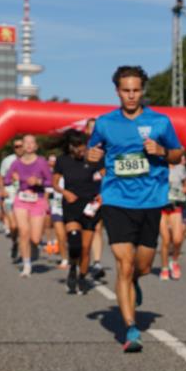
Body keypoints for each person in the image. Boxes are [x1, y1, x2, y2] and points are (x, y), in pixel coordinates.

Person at [87, 65, 184, 352]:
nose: (131, 96)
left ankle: (135, 283)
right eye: (126, 90)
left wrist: (162, 152)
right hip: (116, 200)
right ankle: (131, 329)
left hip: (151, 201)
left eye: (136, 90)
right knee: (124, 265)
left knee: (142, 266)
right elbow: (94, 155)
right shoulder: (104, 123)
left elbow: (179, 155)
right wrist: (92, 157)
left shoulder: (160, 122)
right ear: (117, 91)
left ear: (143, 91)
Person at [54, 129, 104, 294]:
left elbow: (106, 177)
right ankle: (72, 268)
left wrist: (101, 195)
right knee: (74, 242)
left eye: (84, 146)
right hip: (71, 205)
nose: (82, 150)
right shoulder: (62, 160)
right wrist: (66, 193)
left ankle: (82, 276)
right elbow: (55, 183)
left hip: (90, 207)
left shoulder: (93, 158)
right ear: (71, 147)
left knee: (85, 247)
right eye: (78, 147)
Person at [4, 134, 52, 277]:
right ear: (22, 146)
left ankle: (34, 247)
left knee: (36, 238)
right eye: (26, 143)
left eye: (32, 142)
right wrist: (13, 178)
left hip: (38, 200)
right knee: (23, 232)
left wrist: (38, 182)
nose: (29, 145)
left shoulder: (42, 162)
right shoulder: (16, 163)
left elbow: (50, 182)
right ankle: (26, 264)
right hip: (21, 199)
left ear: (36, 146)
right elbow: (6, 180)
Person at [160, 154, 186, 280]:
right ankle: (164, 268)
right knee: (166, 240)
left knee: (177, 239)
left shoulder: (181, 169)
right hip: (161, 207)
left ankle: (174, 261)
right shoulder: (159, 167)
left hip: (175, 206)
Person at [85, 117, 107, 282]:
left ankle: (97, 262)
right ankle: (80, 261)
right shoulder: (80, 151)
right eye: (92, 129)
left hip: (98, 196)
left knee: (97, 229)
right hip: (81, 196)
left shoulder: (107, 151)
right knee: (82, 232)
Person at [0, 137, 24, 261]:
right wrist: (2, 190)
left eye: (21, 146)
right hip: (10, 194)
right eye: (16, 147)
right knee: (13, 226)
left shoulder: (31, 160)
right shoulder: (7, 161)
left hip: (25, 196)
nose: (19, 149)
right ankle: (15, 243)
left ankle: (24, 251)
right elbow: (1, 177)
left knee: (23, 226)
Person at [47, 154, 69, 269]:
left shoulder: (72, 174)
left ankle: (74, 258)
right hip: (57, 208)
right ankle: (64, 259)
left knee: (70, 236)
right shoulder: (54, 176)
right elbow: (47, 190)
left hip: (71, 208)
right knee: (60, 235)